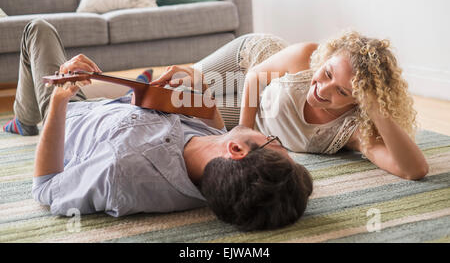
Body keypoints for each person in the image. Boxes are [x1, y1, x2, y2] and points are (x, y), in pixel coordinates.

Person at [3, 19, 313, 232]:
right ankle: (135, 87)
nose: (270, 135)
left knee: (37, 29)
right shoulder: (221, 178)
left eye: (274, 141)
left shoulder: (120, 171)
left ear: (237, 149)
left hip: (73, 113)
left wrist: (58, 101)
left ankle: (26, 119)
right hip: (126, 109)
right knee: (138, 88)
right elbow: (217, 134)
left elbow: (45, 187)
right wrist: (201, 90)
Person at [160, 32, 429, 181]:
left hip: (262, 112)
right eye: (327, 73)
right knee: (179, 80)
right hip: (253, 63)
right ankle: (140, 80)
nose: (322, 90)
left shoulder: (352, 131)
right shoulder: (306, 57)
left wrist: (376, 108)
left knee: (177, 102)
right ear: (326, 58)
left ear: (358, 101)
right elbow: (254, 76)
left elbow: (414, 170)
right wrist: (244, 130)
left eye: (342, 91)